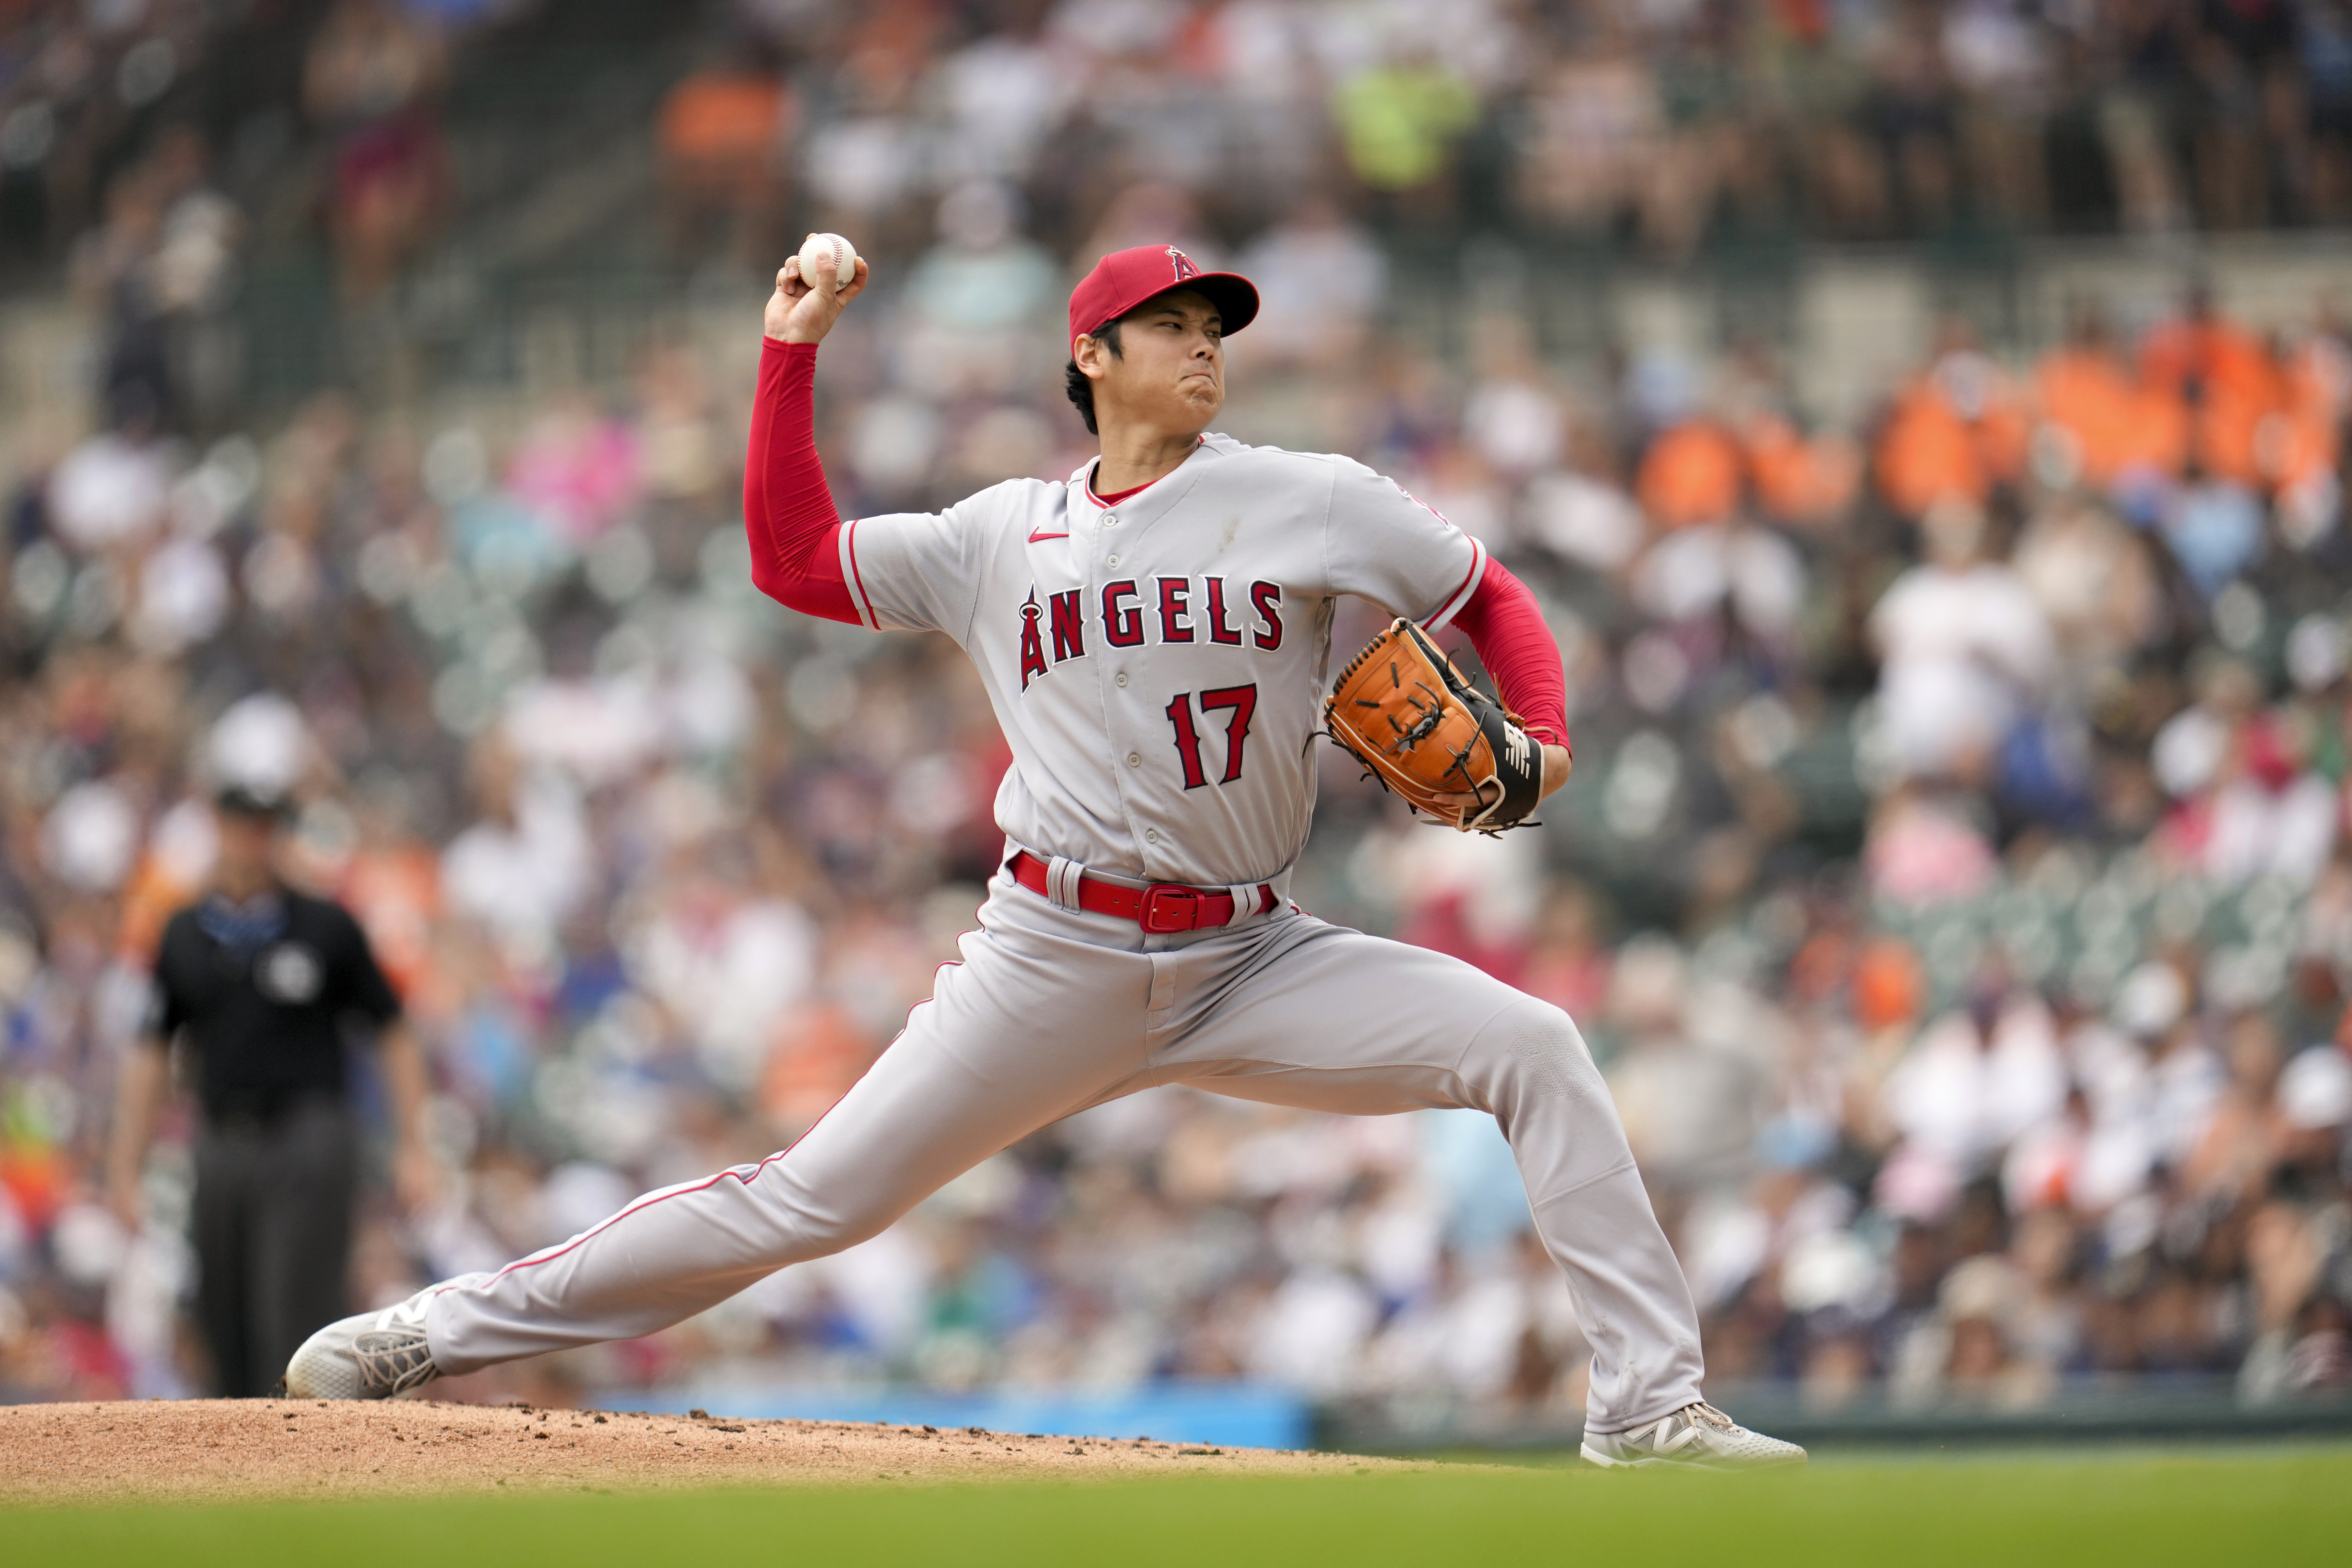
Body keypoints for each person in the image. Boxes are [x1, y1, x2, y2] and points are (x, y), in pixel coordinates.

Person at [285, 245, 1805, 1470]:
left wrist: (1540, 732)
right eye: (1170, 323)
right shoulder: (998, 534)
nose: (1206, 342)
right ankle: (434, 1332)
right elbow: (793, 559)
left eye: (1217, 321)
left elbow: (1495, 595)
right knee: (809, 1199)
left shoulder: (1314, 496)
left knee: (1533, 1042)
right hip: (1053, 952)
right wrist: (790, 351)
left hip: (1255, 954)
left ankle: (1649, 1410)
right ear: (1091, 357)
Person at [109, 785, 434, 1397]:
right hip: (222, 1138)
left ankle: (302, 1467)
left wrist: (415, 1145)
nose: (249, 841)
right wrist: (127, 1164)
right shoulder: (184, 934)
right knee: (220, 1312)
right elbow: (153, 1050)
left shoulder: (325, 927)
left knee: (295, 1312)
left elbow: (394, 1030)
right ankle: (238, 1474)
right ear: (219, 829)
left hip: (308, 1136)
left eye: (261, 827)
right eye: (238, 825)